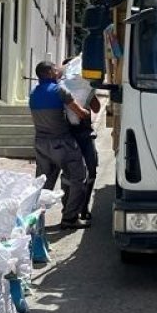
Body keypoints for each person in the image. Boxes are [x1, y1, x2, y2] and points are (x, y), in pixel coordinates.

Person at [29, 61, 99, 229]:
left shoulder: (34, 92)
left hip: (41, 144)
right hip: (62, 143)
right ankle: (70, 219)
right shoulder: (59, 90)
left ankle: (34, 221)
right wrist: (86, 111)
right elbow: (80, 113)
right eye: (55, 69)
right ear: (50, 73)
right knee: (78, 177)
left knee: (44, 184)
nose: (59, 70)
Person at [60, 57, 98, 225]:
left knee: (89, 172)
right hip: (72, 135)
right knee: (72, 175)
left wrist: (90, 92)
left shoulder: (85, 88)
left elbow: (95, 107)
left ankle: (82, 208)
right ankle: (69, 209)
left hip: (83, 134)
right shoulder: (61, 89)